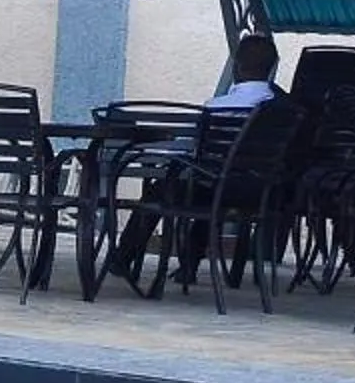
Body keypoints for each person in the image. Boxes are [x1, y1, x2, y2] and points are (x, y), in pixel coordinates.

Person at [113, 32, 291, 283]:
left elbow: (198, 152)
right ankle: (188, 266)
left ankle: (123, 257)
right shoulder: (284, 110)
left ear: (237, 65)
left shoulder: (217, 106)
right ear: (272, 67)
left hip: (217, 187)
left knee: (165, 191)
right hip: (260, 192)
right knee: (210, 192)